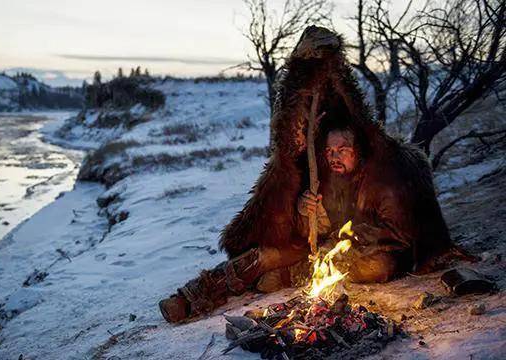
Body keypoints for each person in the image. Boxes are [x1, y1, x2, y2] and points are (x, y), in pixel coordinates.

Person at [158, 26, 466, 324]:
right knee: (263, 256)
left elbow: (398, 235)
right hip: (316, 250)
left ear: (357, 148)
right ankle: (192, 297)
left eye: (343, 149)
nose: (335, 157)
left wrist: (342, 242)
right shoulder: (323, 174)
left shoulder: (384, 177)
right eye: (330, 151)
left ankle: (288, 276)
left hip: (362, 255)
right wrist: (308, 213)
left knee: (379, 267)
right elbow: (305, 230)